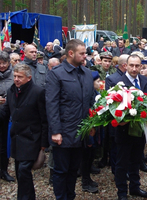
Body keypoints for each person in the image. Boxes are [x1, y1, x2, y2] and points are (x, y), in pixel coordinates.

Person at [46, 39, 94, 199]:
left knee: (74, 170)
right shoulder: (56, 74)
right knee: (61, 170)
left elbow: (89, 101)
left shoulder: (87, 74)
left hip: (81, 131)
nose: (85, 56)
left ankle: (70, 196)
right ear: (71, 53)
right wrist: (56, 131)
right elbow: (52, 105)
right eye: (82, 53)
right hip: (64, 132)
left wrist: (92, 124)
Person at [0, 63, 48, 199]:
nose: (16, 79)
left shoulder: (38, 92)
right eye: (15, 76)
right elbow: (5, 112)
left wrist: (44, 143)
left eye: (19, 77)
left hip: (32, 138)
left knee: (23, 170)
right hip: (16, 138)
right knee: (20, 173)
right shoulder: (11, 91)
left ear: (28, 78)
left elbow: (44, 119)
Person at [113, 55, 147, 200]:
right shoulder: (116, 81)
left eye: (137, 66)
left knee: (136, 160)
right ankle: (122, 192)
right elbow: (111, 105)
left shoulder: (146, 81)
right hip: (123, 129)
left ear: (141, 66)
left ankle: (135, 187)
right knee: (122, 163)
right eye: (132, 65)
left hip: (140, 129)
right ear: (126, 66)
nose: (134, 68)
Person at [0, 51, 15, 182]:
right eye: (0, 63)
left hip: (8, 114)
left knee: (4, 144)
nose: (2, 65)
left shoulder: (13, 75)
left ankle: (3, 170)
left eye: (4, 63)